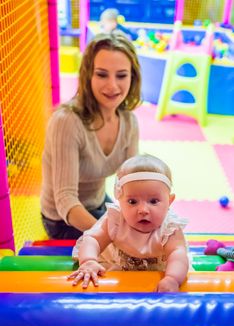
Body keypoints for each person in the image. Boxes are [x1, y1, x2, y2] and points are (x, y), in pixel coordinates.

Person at [40, 33, 142, 240]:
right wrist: (110, 235)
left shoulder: (129, 122)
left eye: (121, 75)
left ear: (132, 78)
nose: (112, 86)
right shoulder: (66, 122)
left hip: (98, 204)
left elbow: (132, 184)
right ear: (88, 76)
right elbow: (65, 200)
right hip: (62, 218)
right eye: (102, 74)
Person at [68, 154, 189, 292]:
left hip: (158, 273)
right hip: (120, 269)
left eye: (153, 201)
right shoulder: (116, 220)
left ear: (169, 201)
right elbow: (93, 239)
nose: (143, 210)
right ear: (119, 201)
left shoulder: (169, 228)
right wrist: (89, 260)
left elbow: (178, 254)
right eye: (132, 202)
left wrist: (172, 279)